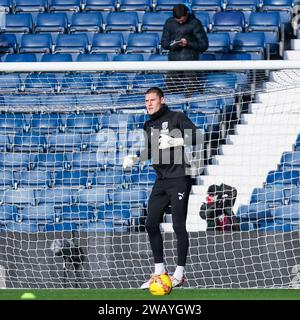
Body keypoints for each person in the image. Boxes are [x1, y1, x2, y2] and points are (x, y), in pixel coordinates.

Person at [123, 87, 203, 288]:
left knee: (178, 226)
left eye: (152, 100)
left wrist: (176, 140)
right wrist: (135, 158)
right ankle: (159, 271)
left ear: (162, 100)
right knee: (150, 224)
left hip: (179, 178)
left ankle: (179, 273)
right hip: (161, 180)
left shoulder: (177, 117)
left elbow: (197, 137)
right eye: (146, 101)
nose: (148, 104)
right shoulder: (148, 124)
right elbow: (150, 149)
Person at [161, 3, 208, 93]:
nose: (180, 22)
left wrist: (188, 43)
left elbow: (204, 45)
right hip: (173, 65)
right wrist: (174, 44)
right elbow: (164, 43)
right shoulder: (169, 22)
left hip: (190, 66)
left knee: (191, 93)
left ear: (187, 13)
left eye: (183, 20)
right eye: (178, 21)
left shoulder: (195, 23)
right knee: (169, 94)